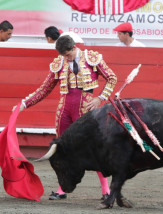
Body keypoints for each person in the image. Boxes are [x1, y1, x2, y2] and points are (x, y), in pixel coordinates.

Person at [14, 35, 117, 200]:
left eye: (68, 55)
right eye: (63, 56)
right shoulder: (59, 63)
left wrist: (100, 98)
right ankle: (62, 189)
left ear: (74, 47)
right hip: (64, 110)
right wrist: (24, 104)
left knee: (94, 148)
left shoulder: (92, 58)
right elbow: (44, 89)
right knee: (62, 150)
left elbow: (112, 78)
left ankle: (106, 190)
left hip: (85, 109)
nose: (66, 59)